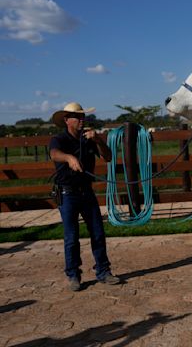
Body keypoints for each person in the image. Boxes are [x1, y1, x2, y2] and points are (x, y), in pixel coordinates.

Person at [49, 102, 120, 291]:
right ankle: (73, 275)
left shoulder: (89, 139)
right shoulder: (59, 139)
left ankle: (103, 271)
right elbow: (54, 154)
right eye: (77, 117)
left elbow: (108, 157)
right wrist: (69, 158)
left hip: (86, 192)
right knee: (71, 237)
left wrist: (98, 141)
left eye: (83, 117)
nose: (82, 120)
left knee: (97, 233)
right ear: (67, 120)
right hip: (67, 194)